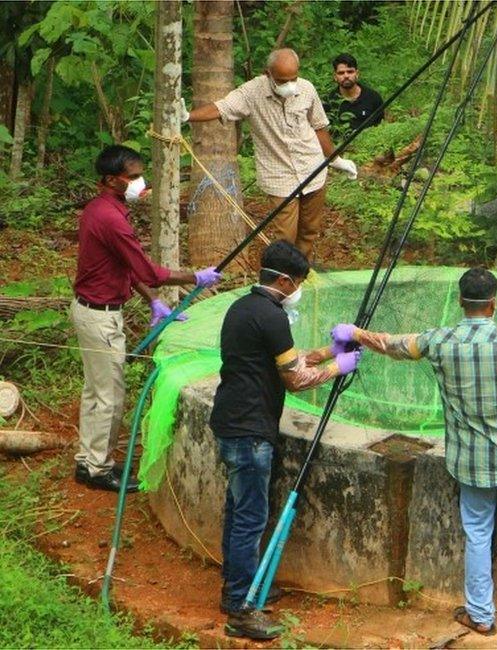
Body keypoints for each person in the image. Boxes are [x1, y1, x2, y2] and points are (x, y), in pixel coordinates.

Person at [331, 268, 497, 636]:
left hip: (470, 460)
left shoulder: (439, 341)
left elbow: (394, 345)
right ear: (494, 303)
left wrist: (356, 333)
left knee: (477, 532)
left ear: (461, 302)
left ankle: (480, 615)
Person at [209, 240, 360, 640]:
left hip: (230, 420)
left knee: (237, 507)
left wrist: (330, 351)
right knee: (250, 517)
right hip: (250, 429)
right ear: (283, 280)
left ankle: (236, 587)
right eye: (297, 283)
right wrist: (336, 369)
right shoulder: (272, 317)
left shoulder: (242, 308)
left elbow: (284, 360)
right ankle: (241, 607)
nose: (298, 291)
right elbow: (294, 379)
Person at [72, 144, 222, 493]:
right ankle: (97, 469)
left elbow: (125, 267)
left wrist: (154, 301)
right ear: (111, 180)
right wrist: (194, 277)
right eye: (134, 177)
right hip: (99, 317)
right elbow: (146, 269)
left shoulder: (103, 209)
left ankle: (89, 459)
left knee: (96, 391)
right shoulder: (110, 218)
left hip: (91, 310)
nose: (141, 183)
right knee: (109, 394)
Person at [183, 48, 358, 259]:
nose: (290, 85)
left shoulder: (306, 89)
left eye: (293, 78)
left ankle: (300, 273)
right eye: (283, 81)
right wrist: (188, 116)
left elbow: (319, 127)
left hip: (313, 168)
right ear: (269, 74)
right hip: (279, 176)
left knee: (309, 231)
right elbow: (221, 108)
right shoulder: (251, 93)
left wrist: (335, 160)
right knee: (285, 237)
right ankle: (282, 278)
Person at [322, 53, 385, 133]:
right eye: (341, 73)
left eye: (350, 72)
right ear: (335, 76)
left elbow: (381, 127)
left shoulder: (373, 98)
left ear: (357, 74)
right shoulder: (328, 102)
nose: (346, 76)